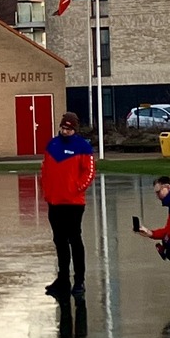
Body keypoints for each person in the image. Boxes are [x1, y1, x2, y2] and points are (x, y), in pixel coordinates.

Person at [39, 111, 96, 299]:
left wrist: (77, 188)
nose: (64, 131)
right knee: (59, 241)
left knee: (75, 240)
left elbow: (89, 172)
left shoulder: (83, 147)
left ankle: (79, 280)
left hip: (73, 203)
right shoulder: (52, 144)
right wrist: (47, 190)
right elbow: (44, 169)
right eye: (63, 128)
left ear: (75, 129)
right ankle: (62, 279)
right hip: (54, 201)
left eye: (68, 129)